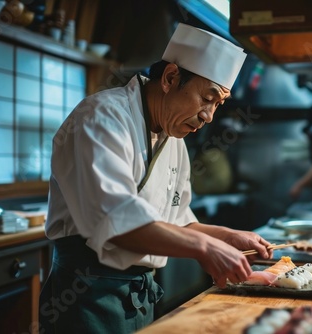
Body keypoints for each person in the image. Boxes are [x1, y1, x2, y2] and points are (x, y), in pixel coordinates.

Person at [39, 23, 274, 333]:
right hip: (85, 294)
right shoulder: (101, 118)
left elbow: (175, 222)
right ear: (170, 77)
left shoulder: (172, 136)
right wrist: (204, 247)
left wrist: (226, 236)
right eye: (207, 98)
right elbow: (118, 222)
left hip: (136, 296)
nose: (209, 116)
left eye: (218, 104)